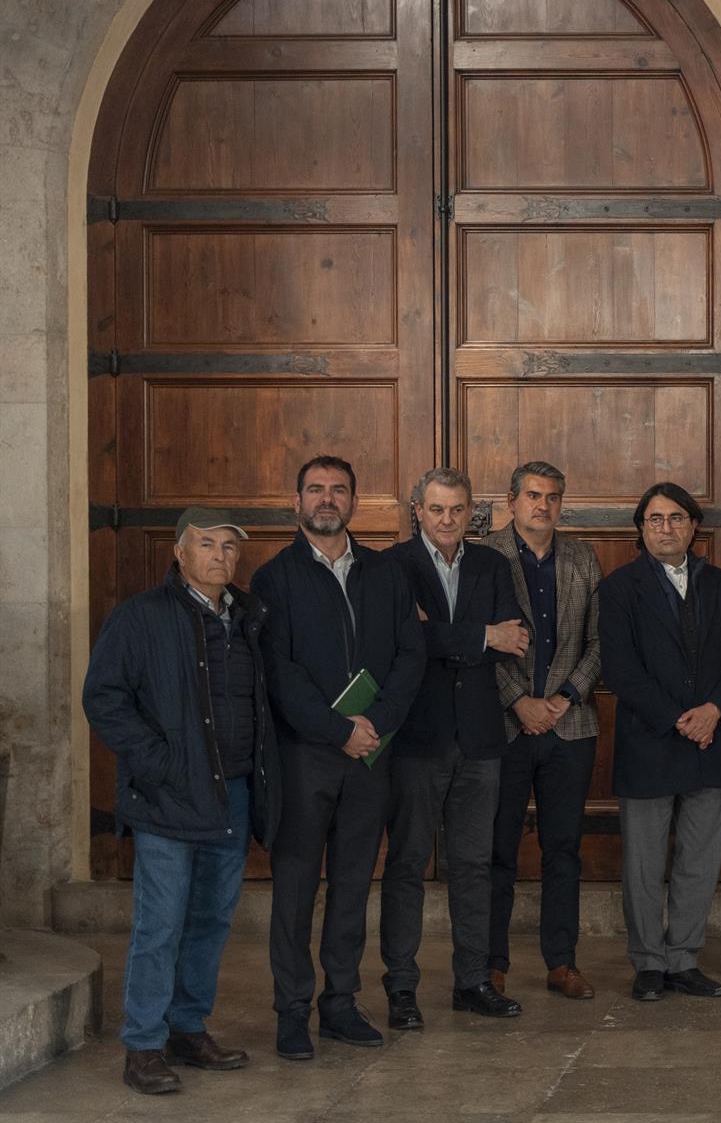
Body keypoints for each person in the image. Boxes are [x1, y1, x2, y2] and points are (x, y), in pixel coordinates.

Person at [83, 509, 278, 1094]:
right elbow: (104, 697)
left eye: (229, 547)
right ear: (180, 553)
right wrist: (160, 764)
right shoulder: (141, 617)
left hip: (232, 794)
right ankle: (143, 1044)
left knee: (211, 920)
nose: (220, 556)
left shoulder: (249, 616)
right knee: (160, 923)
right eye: (207, 544)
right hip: (167, 797)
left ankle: (186, 1029)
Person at [254, 456, 423, 1059]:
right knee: (296, 889)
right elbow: (278, 672)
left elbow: (410, 654)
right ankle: (291, 1012)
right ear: (296, 501)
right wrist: (337, 730)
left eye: (339, 490)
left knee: (352, 885)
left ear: (354, 501)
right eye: (316, 489)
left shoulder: (385, 572)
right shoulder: (274, 578)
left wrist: (376, 723)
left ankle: (340, 1004)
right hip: (306, 757)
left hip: (371, 754)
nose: (327, 499)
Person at [382, 467, 529, 1028]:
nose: (447, 520)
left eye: (458, 509)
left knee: (474, 866)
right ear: (417, 509)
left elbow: (514, 639)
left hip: (481, 739)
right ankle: (401, 987)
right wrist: (481, 635)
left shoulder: (492, 564)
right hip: (416, 739)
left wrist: (441, 637)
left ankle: (472, 981)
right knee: (407, 864)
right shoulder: (392, 566)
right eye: (437, 509)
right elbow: (402, 640)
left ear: (473, 513)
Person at [600, 482, 721, 1001]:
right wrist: (677, 719)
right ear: (642, 529)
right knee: (643, 863)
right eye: (656, 519)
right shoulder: (619, 588)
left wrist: (714, 711)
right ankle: (648, 963)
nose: (667, 528)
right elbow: (620, 668)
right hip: (650, 741)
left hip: (712, 741)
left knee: (699, 860)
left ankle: (684, 959)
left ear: (693, 526)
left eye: (677, 518)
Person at [479, 461, 602, 1002]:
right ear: (511, 501)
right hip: (504, 726)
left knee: (564, 849)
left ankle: (562, 962)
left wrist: (563, 698)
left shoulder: (582, 558)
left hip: (569, 725)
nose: (542, 505)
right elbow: (477, 642)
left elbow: (600, 642)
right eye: (532, 495)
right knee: (496, 850)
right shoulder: (485, 557)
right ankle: (491, 963)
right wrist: (519, 702)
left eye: (552, 497)